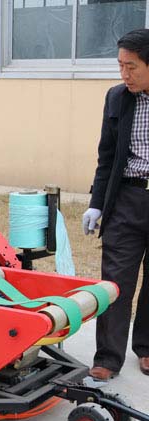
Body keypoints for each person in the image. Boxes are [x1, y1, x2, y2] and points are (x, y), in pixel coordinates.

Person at [83, 28, 149, 381]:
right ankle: (108, 357)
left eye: (132, 67)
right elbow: (106, 157)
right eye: (121, 66)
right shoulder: (117, 98)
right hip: (126, 198)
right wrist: (96, 203)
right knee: (115, 280)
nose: (124, 74)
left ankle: (147, 347)